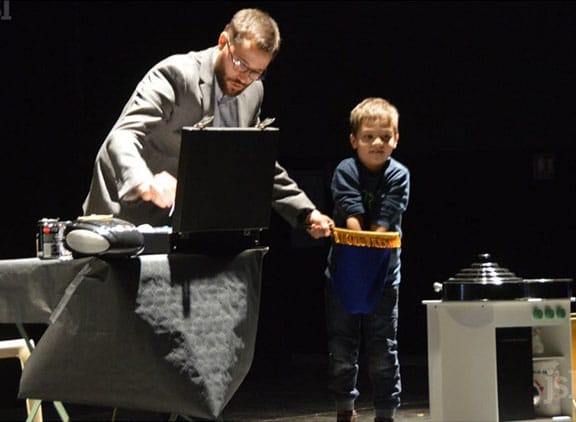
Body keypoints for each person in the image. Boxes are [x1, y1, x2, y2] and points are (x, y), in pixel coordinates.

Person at [82, 8, 332, 238]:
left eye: (257, 71)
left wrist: (305, 213)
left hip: (182, 223)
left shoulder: (253, 91)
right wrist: (144, 180)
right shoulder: (176, 75)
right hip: (122, 213)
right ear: (223, 41)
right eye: (241, 64)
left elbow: (255, 161)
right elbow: (124, 135)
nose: (245, 78)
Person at [324, 98, 410, 422]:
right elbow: (352, 215)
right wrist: (363, 245)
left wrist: (370, 246)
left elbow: (386, 220)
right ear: (354, 140)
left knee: (382, 348)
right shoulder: (346, 170)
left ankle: (386, 411)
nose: (377, 143)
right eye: (369, 137)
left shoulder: (399, 175)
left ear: (396, 139)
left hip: (385, 277)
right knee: (342, 348)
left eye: (385, 137)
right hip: (343, 275)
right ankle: (345, 408)